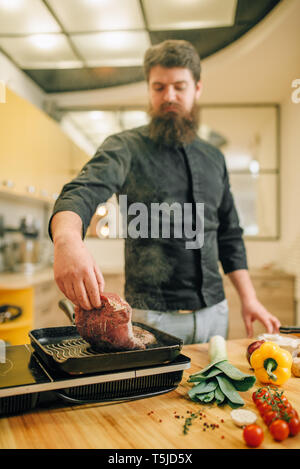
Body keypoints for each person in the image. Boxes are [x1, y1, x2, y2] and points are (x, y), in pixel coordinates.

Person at [49, 40, 281, 343]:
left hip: (215, 313)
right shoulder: (124, 147)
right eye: (159, 87)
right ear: (149, 90)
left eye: (179, 86)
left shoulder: (214, 158)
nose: (169, 96)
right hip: (150, 316)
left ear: (197, 89)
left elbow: (230, 235)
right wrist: (67, 239)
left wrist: (249, 298)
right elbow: (82, 190)